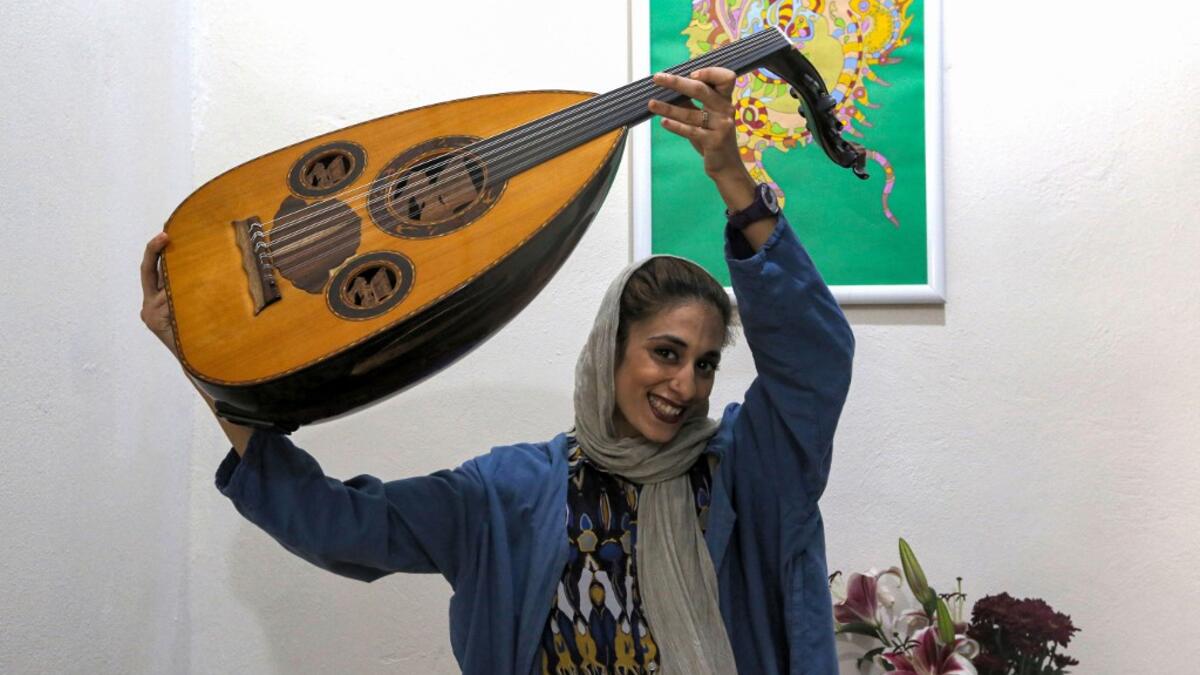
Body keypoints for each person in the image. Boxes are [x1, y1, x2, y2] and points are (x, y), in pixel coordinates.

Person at [140, 68, 854, 675]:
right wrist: (210, 370)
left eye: (704, 364)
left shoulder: (747, 475)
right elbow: (341, 525)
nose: (685, 385)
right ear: (610, 349)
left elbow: (814, 362)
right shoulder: (511, 493)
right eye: (665, 353)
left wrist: (731, 175)